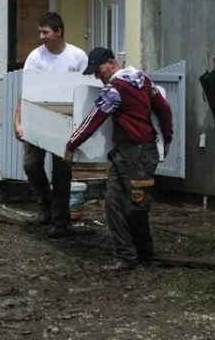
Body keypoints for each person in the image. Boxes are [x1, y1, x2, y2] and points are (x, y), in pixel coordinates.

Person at [64, 47, 173, 271]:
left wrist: (71, 144)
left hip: (137, 154)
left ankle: (143, 254)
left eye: (98, 69)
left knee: (136, 207)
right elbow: (163, 107)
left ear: (112, 63)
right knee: (113, 203)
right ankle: (127, 255)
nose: (96, 75)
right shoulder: (142, 79)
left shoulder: (115, 89)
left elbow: (93, 119)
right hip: (129, 153)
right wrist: (167, 137)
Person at [13, 12, 88, 238]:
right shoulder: (36, 57)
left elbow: (86, 90)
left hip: (66, 122)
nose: (41, 36)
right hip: (37, 117)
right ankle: (45, 208)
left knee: (62, 172)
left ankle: (60, 221)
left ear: (59, 31)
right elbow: (25, 90)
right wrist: (18, 120)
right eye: (40, 31)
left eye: (45, 32)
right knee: (31, 165)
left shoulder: (77, 57)